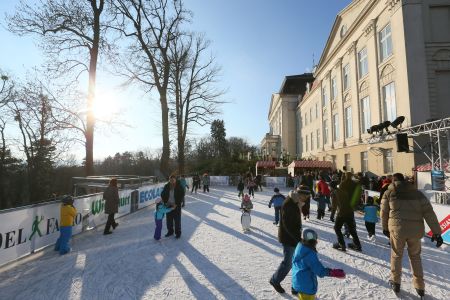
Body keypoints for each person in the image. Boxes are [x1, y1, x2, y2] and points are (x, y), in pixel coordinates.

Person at [381, 173, 443, 297]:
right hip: (415, 231)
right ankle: (420, 286)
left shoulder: (389, 193)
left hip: (397, 230)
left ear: (393, 181)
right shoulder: (418, 194)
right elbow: (429, 213)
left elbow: (384, 212)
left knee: (396, 255)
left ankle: (395, 282)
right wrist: (437, 232)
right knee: (415, 257)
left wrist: (385, 228)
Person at [270, 188, 310, 295]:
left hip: (294, 236)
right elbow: (287, 225)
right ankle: (275, 280)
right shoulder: (289, 204)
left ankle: (295, 286)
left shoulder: (295, 201)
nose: (305, 199)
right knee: (287, 263)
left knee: (296, 262)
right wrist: (298, 240)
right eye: (305, 197)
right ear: (300, 194)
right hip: (288, 238)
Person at [292, 229, 346, 300]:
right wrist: (332, 272)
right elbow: (320, 271)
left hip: (297, 281)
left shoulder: (300, 246)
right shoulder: (310, 254)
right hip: (306, 287)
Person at [332, 172, 362, 252]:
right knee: (352, 229)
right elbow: (357, 196)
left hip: (342, 209)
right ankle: (358, 245)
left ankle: (341, 244)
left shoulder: (342, 185)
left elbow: (339, 199)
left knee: (337, 227)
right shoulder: (355, 184)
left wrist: (333, 213)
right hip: (350, 209)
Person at [161, 174, 186, 238]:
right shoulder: (166, 186)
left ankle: (178, 233)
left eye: (173, 179)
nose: (172, 181)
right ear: (169, 180)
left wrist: (177, 204)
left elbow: (181, 195)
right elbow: (162, 194)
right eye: (170, 180)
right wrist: (165, 202)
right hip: (168, 205)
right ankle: (170, 231)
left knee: (177, 220)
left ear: (175, 180)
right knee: (169, 220)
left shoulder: (179, 186)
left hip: (176, 205)